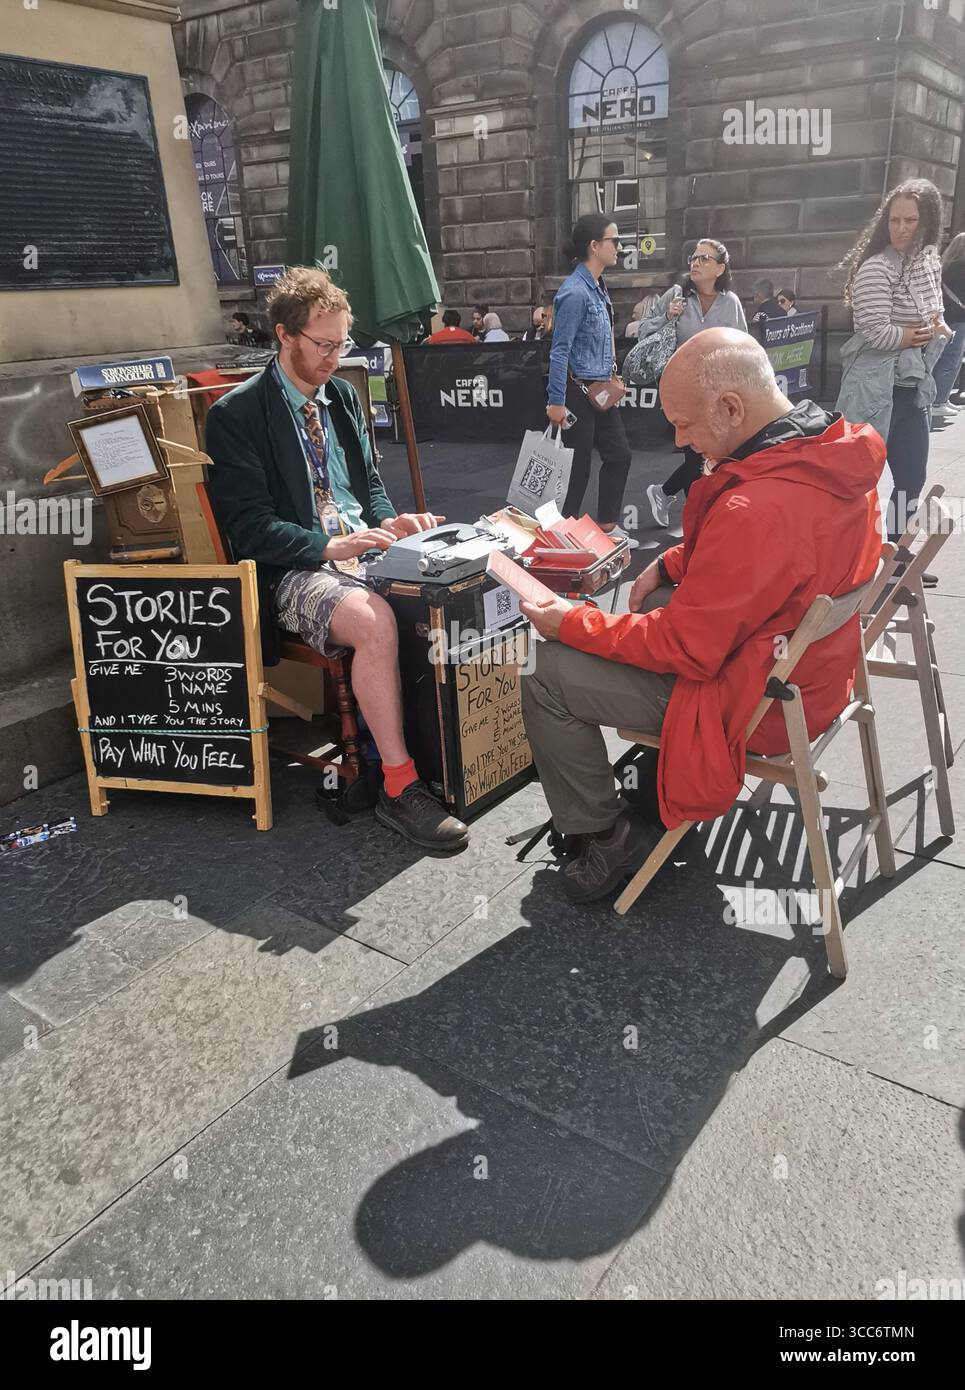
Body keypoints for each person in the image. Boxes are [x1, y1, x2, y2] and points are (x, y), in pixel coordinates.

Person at [519, 328, 884, 903]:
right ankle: (646, 778)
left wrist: (570, 622)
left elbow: (685, 646)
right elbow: (778, 559)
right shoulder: (836, 452)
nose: (681, 441)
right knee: (656, 603)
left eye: (685, 423)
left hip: (755, 706)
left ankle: (604, 835)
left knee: (542, 671)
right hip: (814, 678)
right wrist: (672, 562)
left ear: (732, 408)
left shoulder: (754, 508)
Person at [205, 266, 469, 851]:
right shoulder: (237, 415)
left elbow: (369, 487)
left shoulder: (344, 396)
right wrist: (329, 546)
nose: (334, 357)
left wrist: (391, 522)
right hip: (293, 569)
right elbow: (249, 529)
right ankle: (399, 788)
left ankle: (438, 756)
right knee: (375, 621)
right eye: (322, 345)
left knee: (455, 581)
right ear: (283, 335)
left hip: (356, 549)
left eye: (342, 343)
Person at [836, 177, 951, 546]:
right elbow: (875, 333)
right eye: (894, 220)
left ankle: (897, 557)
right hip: (872, 387)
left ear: (928, 221)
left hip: (911, 387)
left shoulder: (928, 263)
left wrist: (934, 328)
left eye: (910, 220)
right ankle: (853, 558)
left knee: (911, 478)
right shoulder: (875, 268)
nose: (900, 229)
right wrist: (910, 334)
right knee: (857, 481)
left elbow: (935, 314)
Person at [638, 239, 748, 527]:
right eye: (694, 257)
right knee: (696, 458)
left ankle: (664, 493)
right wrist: (666, 316)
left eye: (705, 259)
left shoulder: (730, 303)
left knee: (711, 456)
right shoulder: (676, 295)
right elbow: (643, 331)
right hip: (683, 391)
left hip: (718, 393)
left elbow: (743, 346)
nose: (696, 263)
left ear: (720, 268)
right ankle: (697, 524)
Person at [546, 212, 636, 547]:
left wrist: (611, 376)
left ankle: (607, 527)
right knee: (576, 469)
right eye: (614, 240)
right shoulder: (574, 292)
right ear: (595, 246)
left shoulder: (597, 287)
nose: (619, 246)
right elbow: (559, 350)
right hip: (576, 391)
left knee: (619, 455)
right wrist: (556, 401)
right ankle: (562, 538)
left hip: (598, 390)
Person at [930, 233, 965, 427]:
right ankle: (939, 401)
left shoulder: (944, 268)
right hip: (959, 319)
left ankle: (939, 398)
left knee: (940, 359)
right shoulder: (962, 268)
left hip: (943, 319)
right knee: (952, 360)